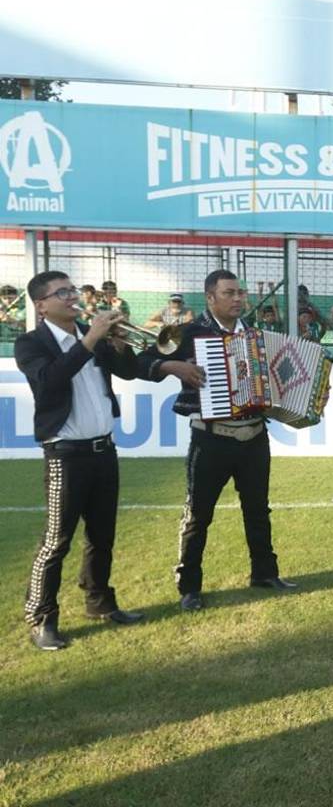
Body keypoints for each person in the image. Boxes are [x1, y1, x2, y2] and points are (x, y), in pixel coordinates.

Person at [137, 269, 297, 611]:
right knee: (198, 513)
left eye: (240, 292)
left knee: (258, 510)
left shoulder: (259, 336)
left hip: (255, 435)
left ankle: (265, 573)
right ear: (210, 298)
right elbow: (143, 361)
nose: (238, 298)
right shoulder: (186, 333)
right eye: (229, 293)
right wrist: (174, 368)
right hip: (210, 438)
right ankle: (189, 587)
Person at [16, 272, 149, 650]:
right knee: (56, 541)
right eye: (62, 293)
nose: (72, 297)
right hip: (66, 455)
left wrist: (120, 343)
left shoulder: (89, 338)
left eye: (72, 290)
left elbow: (127, 370)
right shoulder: (31, 343)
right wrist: (91, 338)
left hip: (103, 450)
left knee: (102, 536)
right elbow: (50, 381)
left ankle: (100, 603)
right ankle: (41, 618)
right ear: (41, 305)